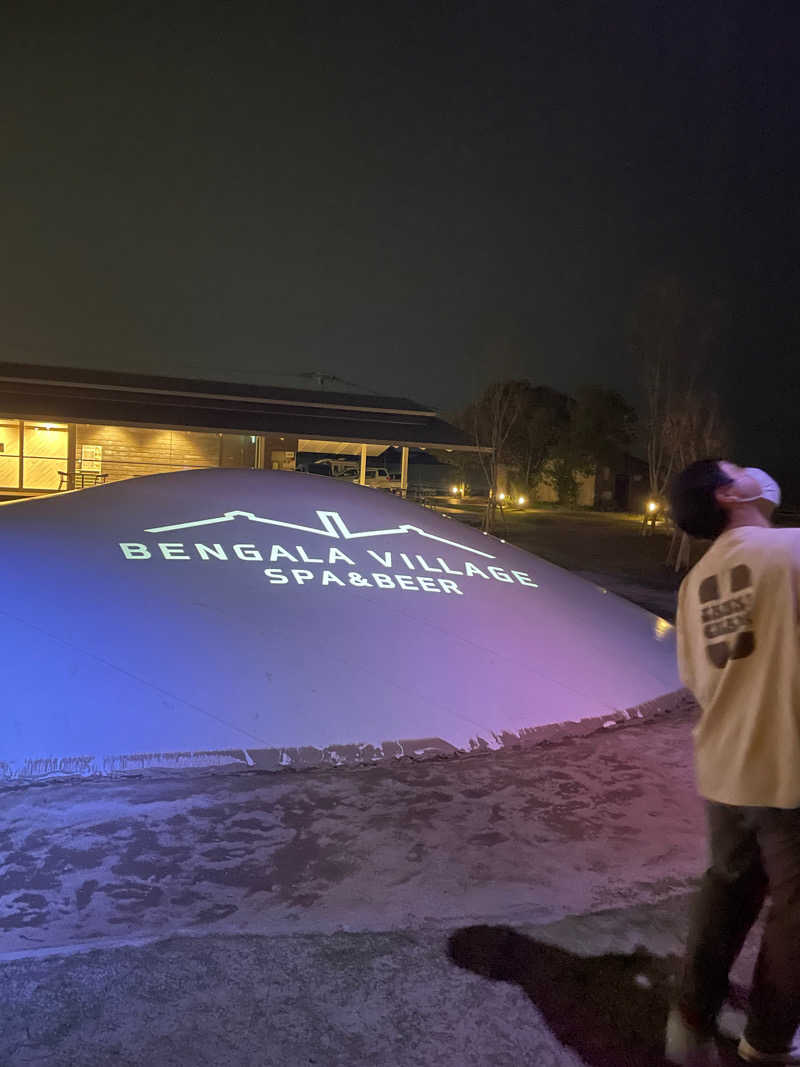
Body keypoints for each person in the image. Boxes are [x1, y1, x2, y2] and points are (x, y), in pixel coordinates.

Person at [665, 460, 800, 1066]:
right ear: (728, 493)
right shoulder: (791, 551)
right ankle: (769, 1039)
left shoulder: (695, 583)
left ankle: (691, 1018)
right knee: (796, 916)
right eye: (739, 468)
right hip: (790, 767)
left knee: (727, 891)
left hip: (725, 764)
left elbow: (697, 678)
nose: (755, 472)